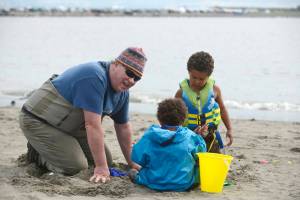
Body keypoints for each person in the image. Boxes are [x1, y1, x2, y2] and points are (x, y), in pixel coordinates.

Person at [19, 47, 147, 183]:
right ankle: (37, 155)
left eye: (137, 78)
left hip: (71, 128)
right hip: (39, 120)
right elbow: (92, 125)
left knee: (107, 162)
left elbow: (123, 127)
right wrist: (101, 168)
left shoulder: (122, 92)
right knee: (76, 168)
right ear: (116, 64)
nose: (132, 80)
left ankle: (55, 149)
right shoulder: (94, 76)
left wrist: (131, 162)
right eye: (129, 73)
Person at [129, 98, 207, 191]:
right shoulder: (191, 137)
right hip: (183, 184)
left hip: (153, 182)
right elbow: (202, 154)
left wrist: (135, 148)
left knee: (133, 172)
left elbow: (137, 159)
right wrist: (199, 137)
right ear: (184, 119)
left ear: (159, 119)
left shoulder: (150, 136)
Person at [175, 51, 233, 153]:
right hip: (189, 135)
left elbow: (222, 109)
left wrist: (229, 129)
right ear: (189, 72)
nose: (197, 81)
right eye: (194, 77)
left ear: (209, 76)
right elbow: (173, 115)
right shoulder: (181, 93)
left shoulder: (215, 90)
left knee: (214, 160)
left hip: (210, 134)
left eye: (201, 79)